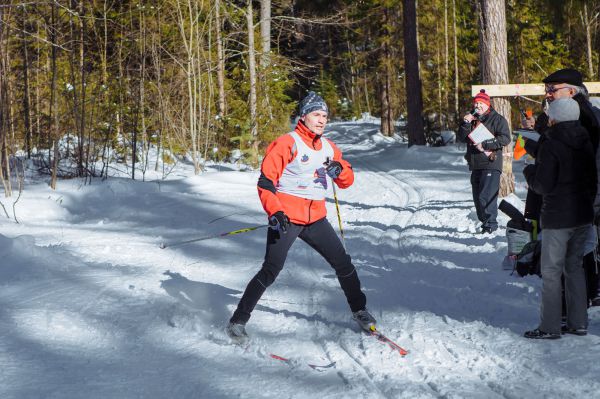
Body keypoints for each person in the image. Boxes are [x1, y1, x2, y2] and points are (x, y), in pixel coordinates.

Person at [226, 92, 375, 342]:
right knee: (271, 270)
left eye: (325, 116)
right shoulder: (287, 143)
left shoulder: (329, 147)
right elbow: (265, 182)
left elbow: (347, 180)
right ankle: (237, 321)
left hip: (316, 219)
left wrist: (341, 171)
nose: (321, 120)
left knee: (344, 264)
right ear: (303, 116)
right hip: (286, 218)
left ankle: (360, 310)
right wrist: (275, 211)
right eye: (316, 114)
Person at [522, 69, 600, 307]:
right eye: (546, 90)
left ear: (571, 90)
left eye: (552, 89)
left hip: (577, 198)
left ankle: (567, 312)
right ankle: (578, 307)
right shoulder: (568, 112)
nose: (548, 94)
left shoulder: (583, 115)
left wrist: (536, 166)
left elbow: (576, 157)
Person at [458, 89, 511, 234]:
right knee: (478, 199)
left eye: (481, 103)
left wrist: (486, 144)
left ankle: (490, 227)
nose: (478, 106)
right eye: (476, 103)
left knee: (486, 197)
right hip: (475, 164)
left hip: (491, 163)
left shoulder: (497, 119)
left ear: (488, 104)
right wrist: (465, 123)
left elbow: (506, 138)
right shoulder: (472, 118)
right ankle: (485, 224)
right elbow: (461, 138)